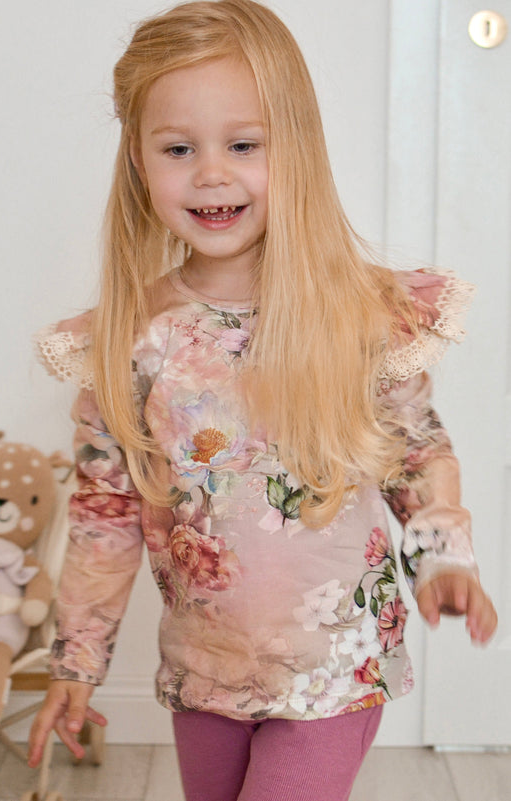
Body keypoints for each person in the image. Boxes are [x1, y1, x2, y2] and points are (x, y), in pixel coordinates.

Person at [28, 1, 497, 799]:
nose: (212, 173)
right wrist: (76, 659)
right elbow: (104, 509)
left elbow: (411, 448)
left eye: (243, 145)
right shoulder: (131, 337)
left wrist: (440, 557)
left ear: (297, 151)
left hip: (334, 665)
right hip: (204, 666)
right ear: (140, 162)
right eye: (179, 148)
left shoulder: (356, 315)